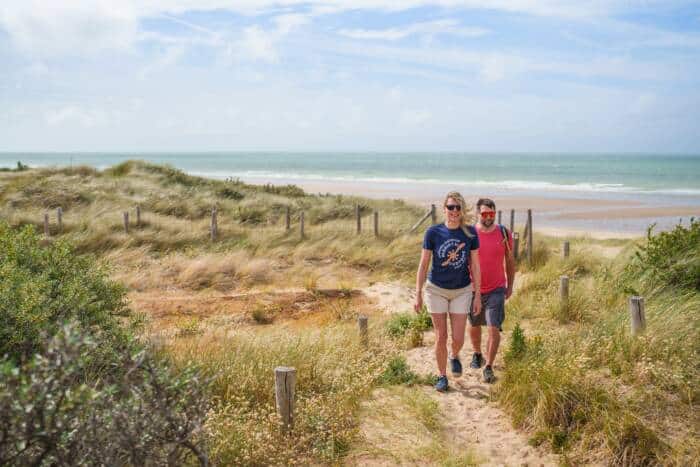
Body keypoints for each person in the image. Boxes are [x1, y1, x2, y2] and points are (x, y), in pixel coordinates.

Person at [414, 191, 481, 392]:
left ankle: (454, 355)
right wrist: (418, 293)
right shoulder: (433, 233)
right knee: (441, 335)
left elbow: (475, 266)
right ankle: (442, 376)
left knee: (458, 338)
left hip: (462, 290)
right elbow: (424, 263)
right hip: (436, 290)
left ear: (461, 211)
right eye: (450, 207)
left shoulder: (469, 233)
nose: (453, 211)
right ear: (444, 209)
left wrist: (477, 295)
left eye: (457, 207)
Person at [468, 198, 515, 383]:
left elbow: (510, 262)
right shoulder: (470, 234)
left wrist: (510, 285)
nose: (488, 217)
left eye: (491, 214)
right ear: (477, 214)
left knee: (493, 328)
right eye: (484, 214)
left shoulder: (504, 233)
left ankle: (488, 366)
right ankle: (477, 353)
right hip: (473, 289)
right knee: (474, 325)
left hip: (497, 288)